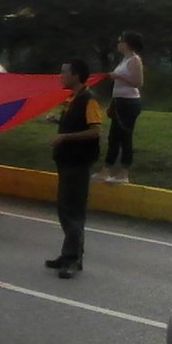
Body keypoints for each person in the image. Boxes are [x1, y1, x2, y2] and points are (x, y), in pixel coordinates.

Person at [46, 58, 103, 280]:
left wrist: (64, 136)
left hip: (78, 163)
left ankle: (73, 259)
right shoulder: (72, 99)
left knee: (74, 213)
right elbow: (74, 122)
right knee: (64, 209)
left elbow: (95, 131)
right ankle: (68, 254)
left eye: (64, 72)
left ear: (76, 75)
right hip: (66, 162)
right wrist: (57, 122)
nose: (61, 76)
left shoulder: (89, 100)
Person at [96, 31, 144, 184]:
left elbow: (138, 82)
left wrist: (118, 76)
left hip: (129, 102)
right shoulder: (124, 60)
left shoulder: (135, 60)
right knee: (113, 137)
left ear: (127, 44)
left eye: (120, 41)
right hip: (119, 101)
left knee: (125, 137)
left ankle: (124, 173)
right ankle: (106, 170)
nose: (118, 44)